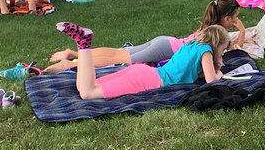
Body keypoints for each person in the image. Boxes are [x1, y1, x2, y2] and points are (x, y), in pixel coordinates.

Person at [43, 0, 253, 73]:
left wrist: (240, 34)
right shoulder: (218, 33)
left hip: (165, 41)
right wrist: (242, 31)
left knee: (118, 53)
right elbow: (235, 47)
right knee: (118, 59)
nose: (237, 21)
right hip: (166, 49)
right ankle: (70, 64)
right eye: (235, 17)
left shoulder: (209, 27)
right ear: (226, 19)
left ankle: (75, 53)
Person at [55, 21, 230, 100]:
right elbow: (211, 81)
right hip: (149, 79)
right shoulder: (206, 50)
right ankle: (83, 43)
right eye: (223, 49)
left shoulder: (191, 45)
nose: (222, 52)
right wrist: (219, 73)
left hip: (144, 72)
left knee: (85, 87)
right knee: (87, 93)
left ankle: (82, 44)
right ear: (217, 43)